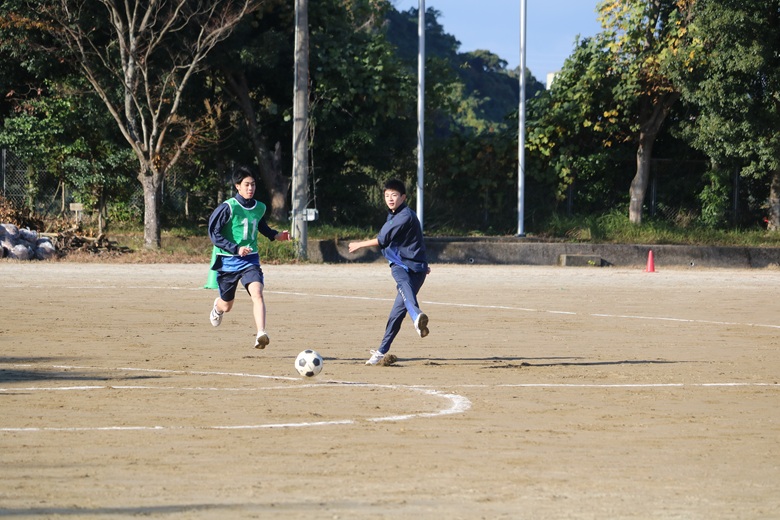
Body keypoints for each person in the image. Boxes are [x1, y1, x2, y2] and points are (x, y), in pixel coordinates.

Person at [348, 178, 430, 366]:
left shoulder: (404, 216)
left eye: (394, 195)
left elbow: (382, 240)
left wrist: (359, 244)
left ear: (404, 197)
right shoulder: (396, 215)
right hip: (409, 265)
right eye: (387, 195)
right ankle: (381, 352)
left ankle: (417, 317)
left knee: (402, 294)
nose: (390, 199)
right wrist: (423, 263)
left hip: (408, 267)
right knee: (396, 313)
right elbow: (415, 241)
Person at [207, 166, 290, 349]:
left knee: (257, 293)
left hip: (250, 261)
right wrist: (235, 248)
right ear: (237, 186)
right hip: (228, 262)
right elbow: (214, 234)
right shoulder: (228, 207)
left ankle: (261, 333)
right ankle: (217, 308)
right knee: (227, 306)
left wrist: (277, 235)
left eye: (253, 184)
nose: (250, 188)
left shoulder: (259, 207)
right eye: (246, 185)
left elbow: (261, 226)